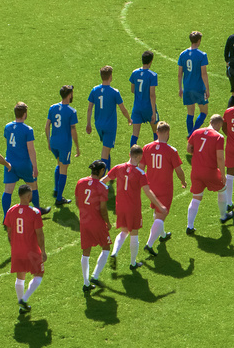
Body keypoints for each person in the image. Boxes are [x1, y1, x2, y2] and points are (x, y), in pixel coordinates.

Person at [103, 146, 168, 270]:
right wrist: (160, 206)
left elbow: (103, 181)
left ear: (129, 154)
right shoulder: (140, 173)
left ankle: (114, 253)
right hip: (133, 208)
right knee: (134, 234)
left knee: (124, 231)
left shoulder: (118, 167)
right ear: (138, 157)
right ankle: (133, 263)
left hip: (120, 206)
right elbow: (148, 192)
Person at [140, 121, 187, 256]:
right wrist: (183, 181)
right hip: (165, 188)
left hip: (150, 187)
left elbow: (141, 169)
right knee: (161, 215)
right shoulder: (171, 151)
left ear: (157, 133)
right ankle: (149, 245)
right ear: (167, 133)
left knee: (157, 211)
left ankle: (163, 235)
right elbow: (179, 170)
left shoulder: (147, 148)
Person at [4, 185, 47, 314]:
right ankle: (24, 299)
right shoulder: (35, 212)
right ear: (28, 196)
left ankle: (21, 306)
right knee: (39, 274)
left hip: (17, 250)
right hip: (31, 250)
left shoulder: (11, 211)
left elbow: (9, 231)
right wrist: (43, 251)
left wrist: (14, 245)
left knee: (20, 276)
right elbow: (39, 234)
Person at [3, 102, 51, 216]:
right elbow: (31, 150)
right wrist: (34, 167)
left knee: (7, 191)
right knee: (33, 186)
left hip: (10, 164)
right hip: (24, 164)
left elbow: (7, 144)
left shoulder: (7, 127)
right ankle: (38, 211)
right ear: (25, 114)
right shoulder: (27, 129)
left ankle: (6, 217)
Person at [186, 114, 231, 234]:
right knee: (223, 189)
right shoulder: (218, 137)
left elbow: (189, 149)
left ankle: (189, 226)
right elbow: (220, 158)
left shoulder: (196, 132)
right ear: (218, 124)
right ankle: (223, 216)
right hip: (210, 171)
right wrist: (222, 173)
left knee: (196, 198)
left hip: (195, 171)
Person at [75, 161, 112, 291]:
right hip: (97, 222)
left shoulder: (80, 182)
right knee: (106, 247)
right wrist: (107, 222)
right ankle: (95, 276)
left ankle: (86, 283)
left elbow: (77, 201)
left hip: (84, 222)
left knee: (86, 252)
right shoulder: (102, 187)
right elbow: (102, 209)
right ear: (101, 171)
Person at [87, 66, 131, 171]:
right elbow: (123, 109)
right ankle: (101, 178)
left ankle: (109, 173)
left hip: (98, 124)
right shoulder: (114, 92)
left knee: (107, 147)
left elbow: (89, 109)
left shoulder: (94, 90)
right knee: (105, 151)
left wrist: (88, 123)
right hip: (109, 126)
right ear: (110, 76)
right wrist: (129, 119)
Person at [45, 85, 81, 206]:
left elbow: (46, 126)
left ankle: (56, 190)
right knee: (64, 169)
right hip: (64, 144)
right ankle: (59, 198)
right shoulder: (72, 111)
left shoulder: (53, 107)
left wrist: (49, 141)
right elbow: (73, 131)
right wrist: (77, 146)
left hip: (54, 142)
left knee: (59, 163)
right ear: (69, 94)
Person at [178, 31, 210, 136]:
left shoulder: (182, 54)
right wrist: (207, 89)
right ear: (199, 41)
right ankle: (191, 134)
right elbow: (204, 74)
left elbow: (179, 74)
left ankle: (190, 136)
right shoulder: (202, 55)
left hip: (187, 87)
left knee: (190, 113)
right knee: (204, 112)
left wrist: (180, 88)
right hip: (199, 88)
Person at [129, 51, 159, 146]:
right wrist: (153, 112)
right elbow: (152, 95)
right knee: (156, 132)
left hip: (137, 108)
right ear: (151, 61)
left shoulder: (135, 73)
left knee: (135, 134)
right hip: (148, 108)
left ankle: (131, 156)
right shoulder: (152, 75)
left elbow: (132, 90)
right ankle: (156, 152)